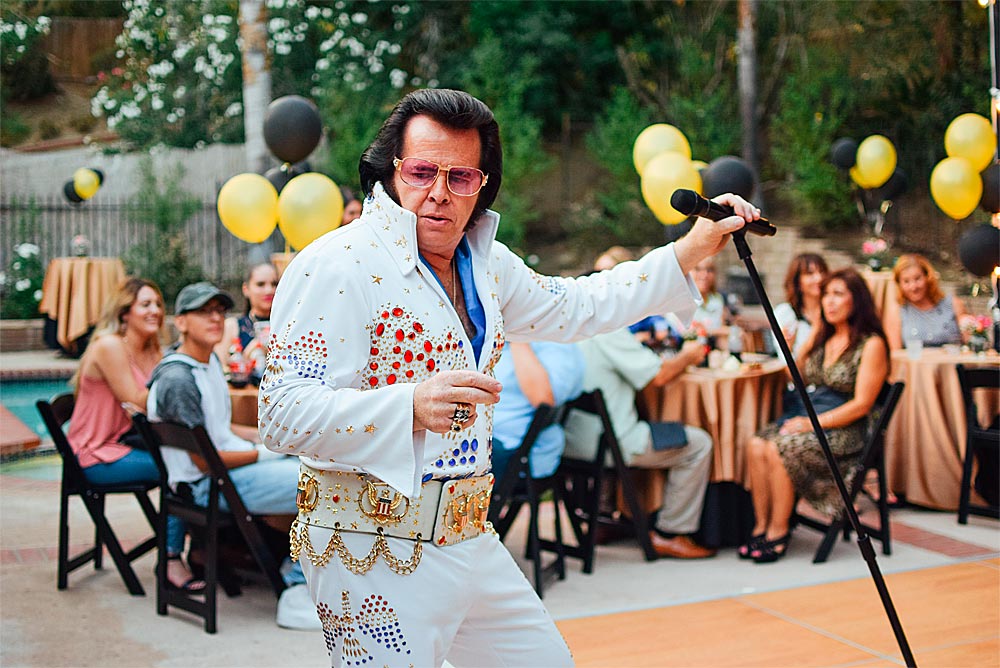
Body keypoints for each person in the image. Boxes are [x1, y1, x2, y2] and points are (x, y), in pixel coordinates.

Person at [261, 88, 758, 667]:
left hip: (470, 534)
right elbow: (281, 414)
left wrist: (690, 247)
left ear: (483, 185)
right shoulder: (337, 264)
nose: (439, 195)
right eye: (422, 172)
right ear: (391, 172)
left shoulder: (486, 264)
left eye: (461, 177)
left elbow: (578, 305)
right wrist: (408, 406)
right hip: (370, 550)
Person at [146, 282, 316, 629]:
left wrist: (269, 439)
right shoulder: (179, 378)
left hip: (223, 473)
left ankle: (298, 563)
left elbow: (219, 431)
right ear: (180, 322)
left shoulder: (205, 363)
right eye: (204, 312)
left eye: (220, 312)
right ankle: (297, 580)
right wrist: (263, 453)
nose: (215, 318)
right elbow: (204, 461)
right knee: (319, 485)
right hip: (205, 486)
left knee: (314, 460)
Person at [562, 259, 716, 559]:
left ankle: (609, 518)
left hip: (570, 438)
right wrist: (689, 355)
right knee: (700, 443)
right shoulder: (605, 330)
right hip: (610, 443)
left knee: (643, 419)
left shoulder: (564, 329)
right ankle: (670, 532)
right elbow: (659, 375)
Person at [741, 268, 889, 563]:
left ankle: (778, 530)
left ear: (856, 300)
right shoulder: (825, 338)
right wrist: (804, 344)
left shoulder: (871, 344)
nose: (829, 302)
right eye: (826, 296)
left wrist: (809, 424)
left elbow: (861, 405)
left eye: (838, 295)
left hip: (848, 428)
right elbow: (794, 377)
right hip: (813, 415)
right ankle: (761, 525)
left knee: (779, 447)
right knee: (756, 444)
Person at [66, 277, 201, 591]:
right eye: (145, 304)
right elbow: (136, 399)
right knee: (182, 467)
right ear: (125, 312)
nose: (155, 310)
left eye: (157, 304)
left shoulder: (152, 350)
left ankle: (205, 550)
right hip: (95, 454)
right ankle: (170, 559)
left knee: (190, 458)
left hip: (125, 445)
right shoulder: (109, 346)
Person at [490, 342, 584, 484]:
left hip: (516, 453)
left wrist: (519, 337)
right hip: (487, 441)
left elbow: (543, 399)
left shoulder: (557, 344)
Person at [883, 253, 965, 350]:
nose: (913, 287)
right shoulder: (896, 311)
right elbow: (894, 355)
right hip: (914, 364)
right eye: (906, 281)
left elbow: (971, 343)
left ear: (928, 277)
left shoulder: (953, 304)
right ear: (899, 284)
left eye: (918, 279)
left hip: (952, 363)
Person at [215, 262, 278, 383]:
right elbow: (219, 370)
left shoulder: (289, 326)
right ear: (246, 289)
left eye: (274, 284)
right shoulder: (232, 326)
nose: (269, 290)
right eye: (260, 284)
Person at [772, 253, 829, 361]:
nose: (819, 278)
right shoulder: (786, 313)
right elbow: (785, 362)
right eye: (810, 273)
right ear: (797, 281)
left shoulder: (832, 311)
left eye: (822, 272)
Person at [691, 257, 731, 331]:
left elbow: (721, 328)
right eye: (698, 269)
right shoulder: (681, 300)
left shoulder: (717, 299)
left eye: (709, 270)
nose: (704, 275)